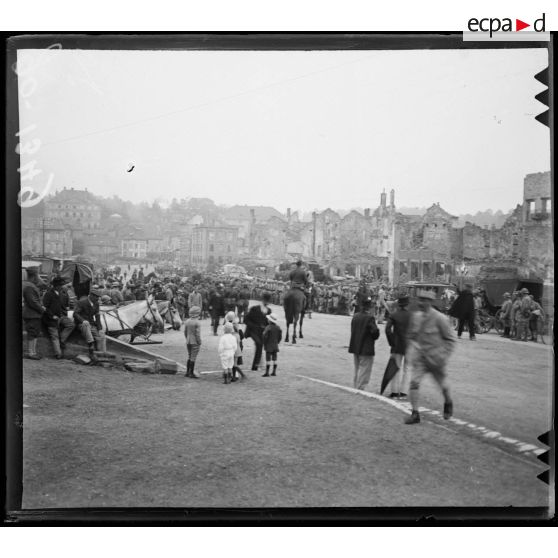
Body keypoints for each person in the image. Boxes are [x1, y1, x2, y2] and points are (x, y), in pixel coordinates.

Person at [405, 290, 456, 425]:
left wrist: (444, 356)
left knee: (443, 385)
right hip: (421, 358)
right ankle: (415, 414)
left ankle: (448, 401)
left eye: (424, 300)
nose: (421, 302)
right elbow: (411, 336)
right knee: (414, 383)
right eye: (419, 299)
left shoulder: (440, 318)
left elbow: (450, 340)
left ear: (430, 302)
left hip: (436, 359)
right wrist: (411, 350)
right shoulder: (415, 317)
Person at [348, 296, 380, 391]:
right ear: (369, 307)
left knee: (357, 369)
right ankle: (360, 388)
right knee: (364, 370)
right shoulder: (370, 318)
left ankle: (355, 386)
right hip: (366, 348)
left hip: (356, 346)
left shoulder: (356, 316)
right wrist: (377, 331)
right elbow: (375, 333)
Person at [384, 295, 411, 399]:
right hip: (409, 345)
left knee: (396, 367)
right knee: (407, 369)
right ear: (407, 304)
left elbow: (387, 330)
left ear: (399, 305)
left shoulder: (394, 315)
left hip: (397, 345)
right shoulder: (412, 316)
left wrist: (392, 342)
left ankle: (394, 392)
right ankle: (404, 392)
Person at [42, 276, 75, 359]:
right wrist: (52, 316)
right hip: (50, 319)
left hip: (60, 316)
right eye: (61, 285)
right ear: (56, 286)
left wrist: (65, 313)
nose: (62, 287)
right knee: (54, 336)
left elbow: (62, 306)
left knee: (71, 324)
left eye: (62, 285)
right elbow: (44, 307)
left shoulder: (60, 294)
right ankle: (58, 354)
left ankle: (62, 340)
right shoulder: (48, 294)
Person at [244, 292, 272, 371]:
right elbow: (245, 320)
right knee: (259, 344)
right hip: (253, 331)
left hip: (262, 332)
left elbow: (268, 323)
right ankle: (255, 366)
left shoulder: (269, 311)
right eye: (266, 301)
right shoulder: (254, 308)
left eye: (268, 301)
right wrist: (254, 326)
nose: (267, 302)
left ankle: (255, 366)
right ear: (263, 300)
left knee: (260, 346)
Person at [73, 288, 103, 359]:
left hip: (91, 324)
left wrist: (100, 329)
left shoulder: (96, 304)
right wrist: (83, 320)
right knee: (86, 326)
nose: (98, 299)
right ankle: (91, 347)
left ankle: (100, 353)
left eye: (98, 297)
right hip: (81, 324)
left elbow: (97, 317)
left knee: (100, 337)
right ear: (91, 296)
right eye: (96, 297)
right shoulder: (81, 302)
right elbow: (75, 314)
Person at [22, 268, 45, 360]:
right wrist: (41, 309)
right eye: (38, 275)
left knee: (34, 333)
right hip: (32, 314)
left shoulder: (30, 285)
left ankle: (33, 352)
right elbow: (32, 302)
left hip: (33, 314)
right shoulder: (29, 287)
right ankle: (30, 353)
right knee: (32, 333)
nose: (39, 277)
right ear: (35, 276)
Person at [183, 305, 201, 378]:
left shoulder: (187, 321)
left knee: (189, 356)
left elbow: (185, 332)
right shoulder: (197, 322)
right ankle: (191, 373)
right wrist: (199, 341)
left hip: (188, 341)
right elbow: (197, 334)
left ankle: (187, 372)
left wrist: (187, 338)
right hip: (195, 342)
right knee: (193, 357)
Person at [262, 312, 282, 377]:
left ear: (270, 321)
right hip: (275, 345)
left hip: (268, 345)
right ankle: (274, 372)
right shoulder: (278, 327)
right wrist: (277, 342)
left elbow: (264, 336)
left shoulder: (268, 327)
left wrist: (264, 342)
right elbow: (280, 337)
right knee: (275, 358)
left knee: (268, 359)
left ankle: (267, 372)